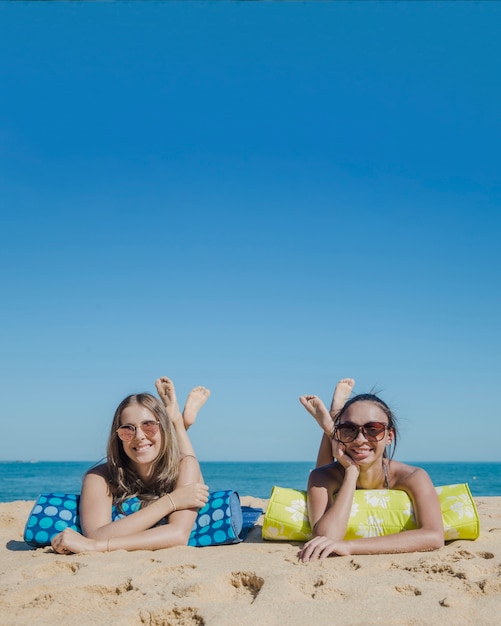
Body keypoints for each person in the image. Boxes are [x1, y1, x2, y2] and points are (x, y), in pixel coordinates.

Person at [51, 377, 210, 554]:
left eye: (149, 426)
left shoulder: (185, 465)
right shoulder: (99, 477)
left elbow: (179, 534)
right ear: (117, 436)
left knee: (192, 469)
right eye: (128, 429)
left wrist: (95, 547)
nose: (139, 436)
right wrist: (172, 501)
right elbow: (95, 535)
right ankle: (176, 421)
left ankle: (177, 422)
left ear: (163, 428)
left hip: (178, 462)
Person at [298, 378, 444, 561]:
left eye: (373, 429)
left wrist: (350, 546)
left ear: (389, 436)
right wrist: (351, 472)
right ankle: (334, 422)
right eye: (349, 429)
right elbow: (325, 538)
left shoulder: (414, 476)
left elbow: (434, 536)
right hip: (337, 469)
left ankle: (333, 421)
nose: (360, 439)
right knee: (326, 470)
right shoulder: (321, 475)